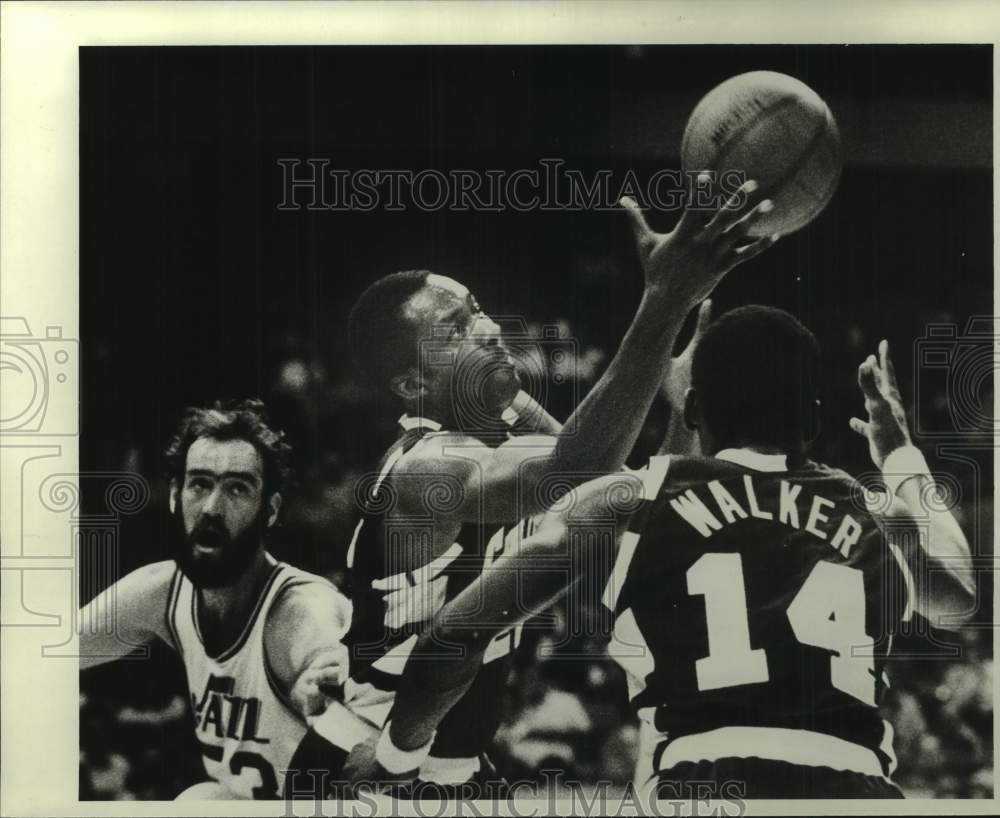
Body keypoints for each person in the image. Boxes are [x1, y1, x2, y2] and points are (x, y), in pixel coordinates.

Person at [348, 295, 974, 797]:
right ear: (812, 421)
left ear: (696, 407)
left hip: (703, 780)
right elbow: (958, 598)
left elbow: (457, 633)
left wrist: (398, 756)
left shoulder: (634, 499)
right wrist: (901, 455)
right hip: (856, 781)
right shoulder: (872, 510)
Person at [292, 181, 780, 797]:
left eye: (477, 308)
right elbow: (574, 470)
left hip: (448, 768)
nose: (490, 329)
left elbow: (633, 500)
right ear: (413, 386)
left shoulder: (506, 431)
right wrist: (665, 299)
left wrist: (682, 411)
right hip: (367, 762)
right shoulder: (428, 468)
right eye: (456, 329)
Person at [79, 400, 376, 800]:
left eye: (238, 488)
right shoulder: (162, 591)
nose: (212, 508)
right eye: (199, 483)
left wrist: (328, 682)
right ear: (174, 496)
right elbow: (40, 650)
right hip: (247, 802)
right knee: (202, 798)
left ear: (269, 510)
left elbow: (335, 664)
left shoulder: (300, 611)